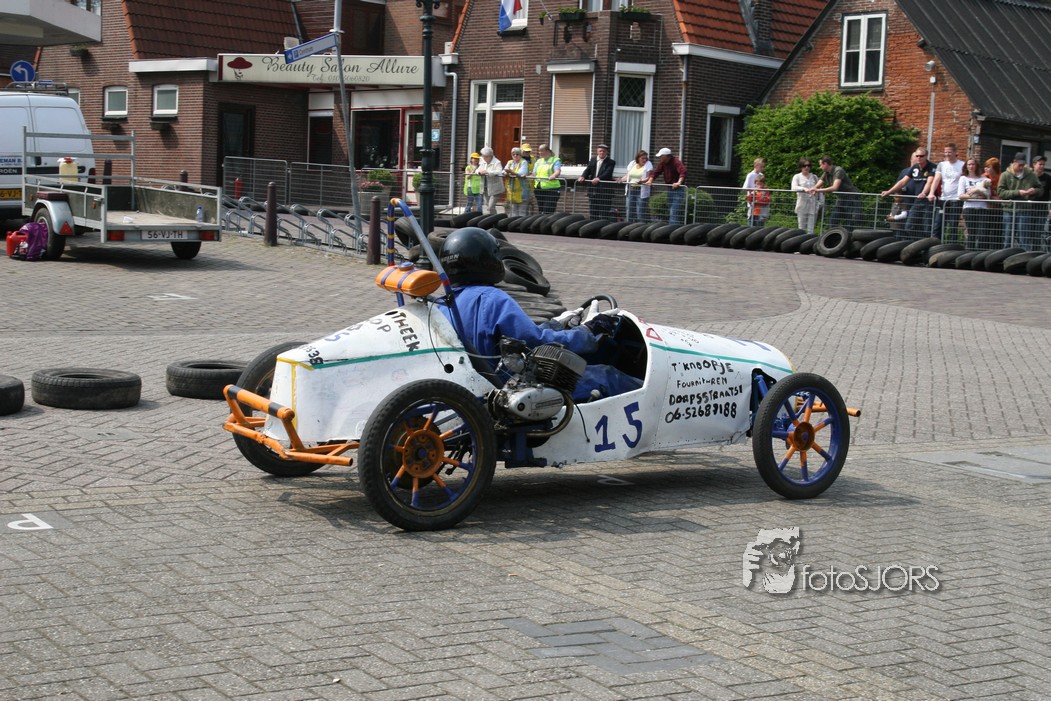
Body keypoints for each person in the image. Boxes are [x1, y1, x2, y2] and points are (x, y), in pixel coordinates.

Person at [436, 227, 642, 402]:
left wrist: (556, 324)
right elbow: (535, 344)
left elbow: (517, 338)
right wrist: (587, 331)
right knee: (607, 375)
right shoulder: (492, 299)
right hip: (511, 388)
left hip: (469, 387)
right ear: (486, 260)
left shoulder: (441, 304)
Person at [880, 148, 936, 240]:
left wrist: (924, 192)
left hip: (927, 202)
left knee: (927, 228)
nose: (919, 158)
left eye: (921, 156)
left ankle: (928, 244)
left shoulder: (932, 167)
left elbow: (929, 182)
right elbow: (903, 181)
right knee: (909, 226)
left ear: (926, 156)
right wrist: (889, 191)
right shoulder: (915, 167)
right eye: (917, 156)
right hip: (917, 201)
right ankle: (921, 242)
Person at [997, 151, 1042, 250]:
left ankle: (1025, 256)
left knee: (1024, 238)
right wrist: (1018, 192)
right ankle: (1005, 256)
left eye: (1023, 165)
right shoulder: (1005, 175)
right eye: (1019, 165)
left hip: (1024, 209)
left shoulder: (1031, 175)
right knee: (1007, 237)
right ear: (1014, 162)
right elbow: (1000, 192)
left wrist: (1034, 191)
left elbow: (1040, 189)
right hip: (1009, 209)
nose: (1021, 167)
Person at [808, 155, 860, 230]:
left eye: (820, 165)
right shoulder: (826, 173)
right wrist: (813, 189)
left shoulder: (838, 170)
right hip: (841, 197)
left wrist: (818, 190)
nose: (820, 167)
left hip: (851, 197)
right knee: (833, 219)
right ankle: (833, 234)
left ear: (825, 164)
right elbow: (818, 185)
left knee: (849, 220)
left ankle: (849, 236)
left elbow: (835, 187)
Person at [928, 143, 964, 242]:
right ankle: (935, 244)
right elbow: (936, 179)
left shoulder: (962, 164)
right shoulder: (942, 165)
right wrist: (931, 192)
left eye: (949, 152)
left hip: (956, 199)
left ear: (955, 152)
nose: (947, 154)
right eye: (945, 152)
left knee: (953, 225)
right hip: (943, 198)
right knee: (938, 223)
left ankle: (951, 246)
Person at [957, 157, 993, 250]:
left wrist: (977, 191)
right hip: (969, 208)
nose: (971, 166)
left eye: (973, 164)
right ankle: (970, 253)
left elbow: (988, 195)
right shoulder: (963, 179)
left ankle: (981, 254)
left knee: (982, 233)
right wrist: (975, 197)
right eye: (969, 164)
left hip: (982, 209)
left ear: (976, 166)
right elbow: (961, 195)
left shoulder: (984, 179)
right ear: (966, 166)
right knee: (971, 233)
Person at [649, 147, 688, 225]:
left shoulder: (676, 162)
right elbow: (656, 172)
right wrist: (650, 180)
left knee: (674, 211)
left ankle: (672, 229)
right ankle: (673, 227)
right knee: (671, 210)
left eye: (661, 156)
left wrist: (679, 182)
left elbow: (683, 171)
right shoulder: (663, 163)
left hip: (678, 189)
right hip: (670, 188)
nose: (660, 158)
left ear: (666, 156)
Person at [578, 144, 616, 219]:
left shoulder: (611, 162)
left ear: (607, 152)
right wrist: (583, 176)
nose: (602, 153)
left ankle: (603, 225)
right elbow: (588, 170)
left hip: (605, 191)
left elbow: (608, 173)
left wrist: (599, 178)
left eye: (604, 151)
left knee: (604, 212)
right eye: (600, 151)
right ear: (597, 152)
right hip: (593, 190)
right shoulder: (593, 160)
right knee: (593, 211)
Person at [618, 150, 653, 223]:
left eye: (645, 158)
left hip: (641, 190)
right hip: (631, 189)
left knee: (640, 210)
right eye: (642, 158)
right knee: (629, 209)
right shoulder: (632, 163)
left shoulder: (648, 164)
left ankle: (641, 226)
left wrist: (642, 181)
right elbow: (628, 175)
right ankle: (629, 225)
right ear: (638, 158)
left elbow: (649, 177)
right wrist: (621, 179)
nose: (644, 160)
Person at [791, 158, 820, 235]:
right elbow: (793, 187)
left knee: (811, 229)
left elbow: (819, 190)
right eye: (804, 165)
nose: (807, 167)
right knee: (801, 228)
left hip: (813, 205)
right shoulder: (797, 177)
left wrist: (820, 203)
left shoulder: (814, 177)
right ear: (801, 166)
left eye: (808, 165)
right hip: (802, 205)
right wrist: (803, 189)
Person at [531, 143, 563, 214]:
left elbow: (557, 171)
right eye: (539, 151)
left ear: (547, 151)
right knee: (541, 210)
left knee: (548, 210)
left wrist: (554, 175)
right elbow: (534, 173)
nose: (540, 153)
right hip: (539, 189)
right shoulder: (538, 161)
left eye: (542, 151)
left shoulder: (555, 160)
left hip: (551, 189)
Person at [503, 147, 531, 217]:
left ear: (520, 155)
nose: (515, 155)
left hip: (522, 190)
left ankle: (521, 223)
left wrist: (510, 172)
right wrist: (506, 173)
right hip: (512, 191)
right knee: (513, 211)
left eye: (517, 154)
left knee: (522, 211)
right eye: (513, 154)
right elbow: (503, 171)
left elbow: (522, 173)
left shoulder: (524, 162)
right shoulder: (509, 162)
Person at [477, 147, 505, 215]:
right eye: (483, 156)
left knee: (490, 206)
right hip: (485, 187)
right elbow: (477, 170)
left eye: (484, 156)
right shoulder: (483, 161)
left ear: (489, 156)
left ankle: (493, 219)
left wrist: (487, 172)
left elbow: (499, 172)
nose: (483, 157)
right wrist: (479, 172)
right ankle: (492, 218)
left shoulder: (497, 162)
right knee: (488, 206)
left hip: (495, 189)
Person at [1033, 155, 1051, 250]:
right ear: (1034, 165)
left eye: (1043, 164)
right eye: (1040, 164)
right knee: (1027, 231)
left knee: (1038, 232)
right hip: (1028, 209)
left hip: (1041, 209)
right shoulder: (1029, 176)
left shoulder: (1048, 178)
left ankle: (1035, 253)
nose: (1042, 166)